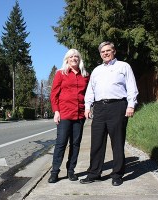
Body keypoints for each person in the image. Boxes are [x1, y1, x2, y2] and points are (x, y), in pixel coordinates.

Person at [80, 41, 138, 186]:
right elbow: (90, 91)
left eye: (108, 51)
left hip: (118, 106)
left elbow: (132, 87)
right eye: (102, 52)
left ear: (114, 51)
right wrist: (88, 107)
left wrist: (131, 105)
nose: (105, 53)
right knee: (97, 142)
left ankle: (117, 174)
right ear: (100, 54)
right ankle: (94, 173)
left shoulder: (123, 66)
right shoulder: (96, 70)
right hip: (99, 108)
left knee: (117, 142)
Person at [48, 49, 90, 183]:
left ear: (79, 59)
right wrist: (56, 111)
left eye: (76, 56)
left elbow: (89, 94)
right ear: (67, 59)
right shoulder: (60, 74)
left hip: (79, 115)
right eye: (71, 56)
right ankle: (55, 172)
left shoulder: (85, 75)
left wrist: (88, 108)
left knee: (75, 144)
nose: (73, 58)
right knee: (61, 144)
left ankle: (71, 171)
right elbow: (54, 94)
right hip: (64, 114)